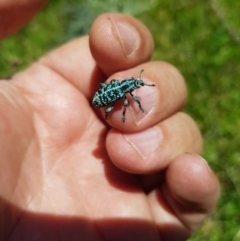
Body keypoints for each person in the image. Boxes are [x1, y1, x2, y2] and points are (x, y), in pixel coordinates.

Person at [0, 1, 220, 240]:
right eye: (135, 83)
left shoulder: (121, 88)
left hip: (104, 97)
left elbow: (119, 94)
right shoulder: (120, 88)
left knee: (125, 105)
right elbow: (117, 93)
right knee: (125, 104)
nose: (135, 84)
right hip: (103, 97)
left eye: (136, 84)